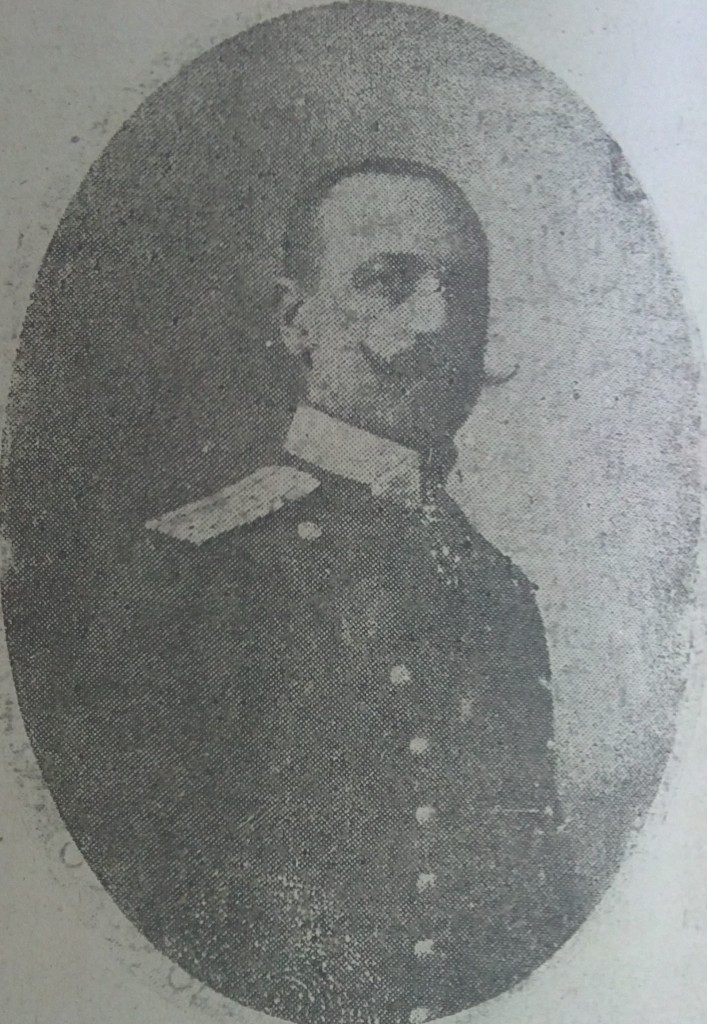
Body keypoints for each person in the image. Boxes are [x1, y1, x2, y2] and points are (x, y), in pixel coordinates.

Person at [65, 160, 580, 1023]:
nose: (437, 321)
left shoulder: (497, 592)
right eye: (386, 281)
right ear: (294, 320)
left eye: (462, 289)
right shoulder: (195, 574)